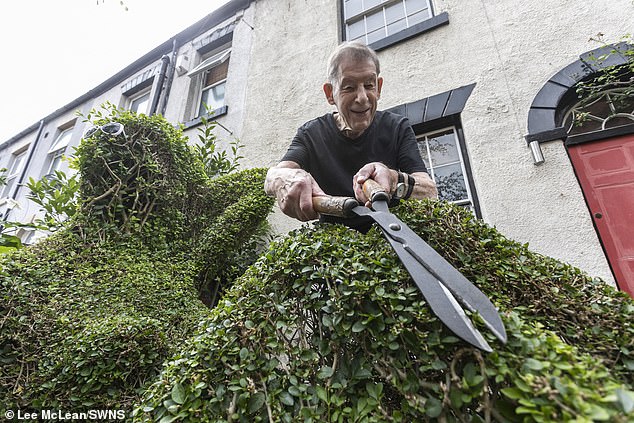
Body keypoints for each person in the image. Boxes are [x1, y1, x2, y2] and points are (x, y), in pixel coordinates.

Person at [264, 41, 437, 232]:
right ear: (330, 94)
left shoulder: (397, 127)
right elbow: (272, 176)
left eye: (369, 85)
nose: (362, 97)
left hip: (394, 239)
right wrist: (285, 178)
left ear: (378, 87)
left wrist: (393, 179)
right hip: (334, 250)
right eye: (349, 87)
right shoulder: (311, 134)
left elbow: (430, 192)